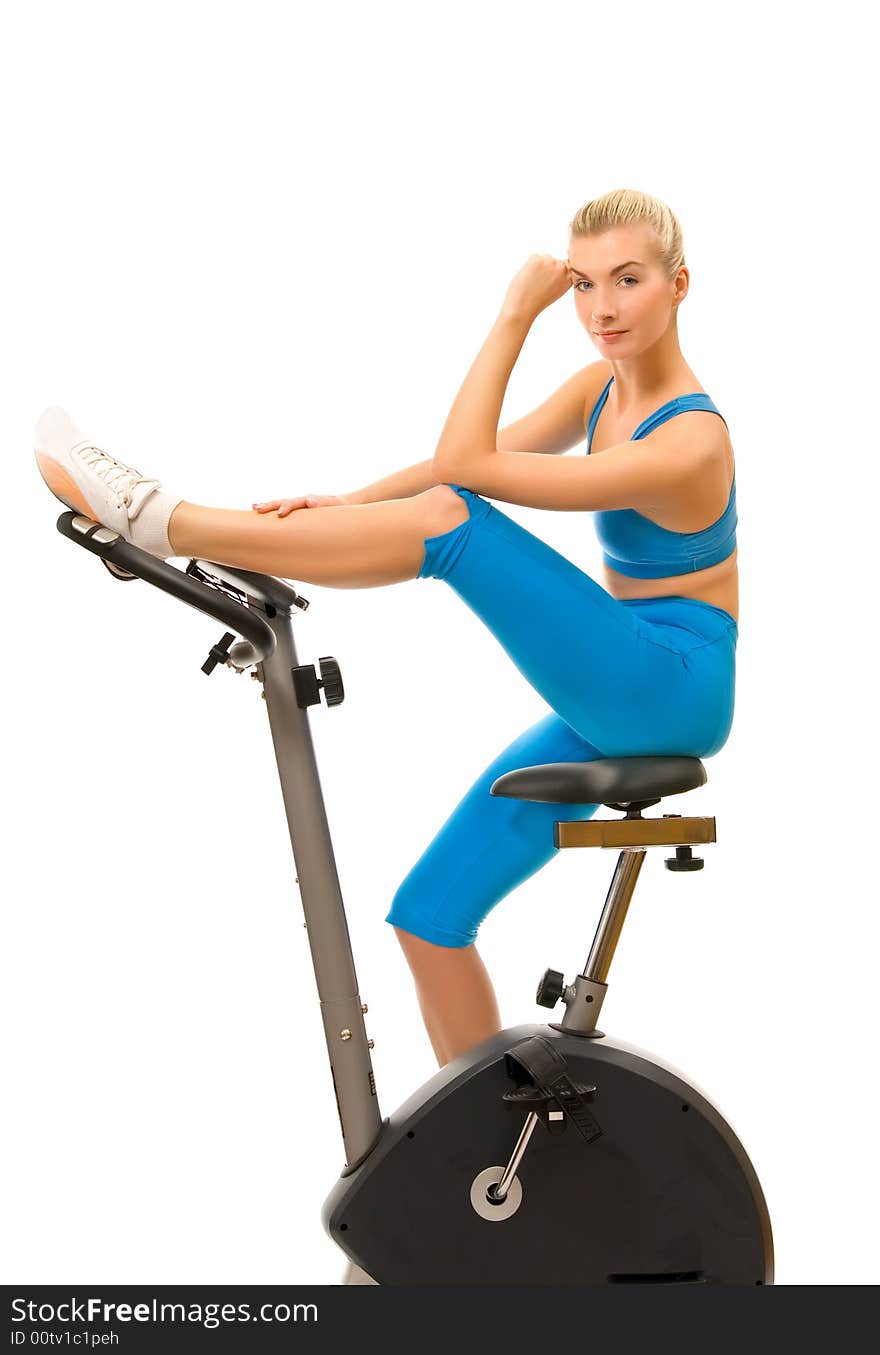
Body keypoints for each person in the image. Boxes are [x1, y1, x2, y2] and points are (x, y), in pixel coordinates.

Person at [33, 187, 738, 1073]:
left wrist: (515, 315)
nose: (600, 307)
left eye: (627, 280)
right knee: (428, 915)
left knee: (451, 518)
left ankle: (163, 518)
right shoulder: (602, 387)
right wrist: (349, 505)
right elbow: (470, 466)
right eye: (585, 284)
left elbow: (465, 471)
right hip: (618, 682)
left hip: (670, 682)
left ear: (679, 285)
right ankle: (500, 1167)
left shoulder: (693, 440)